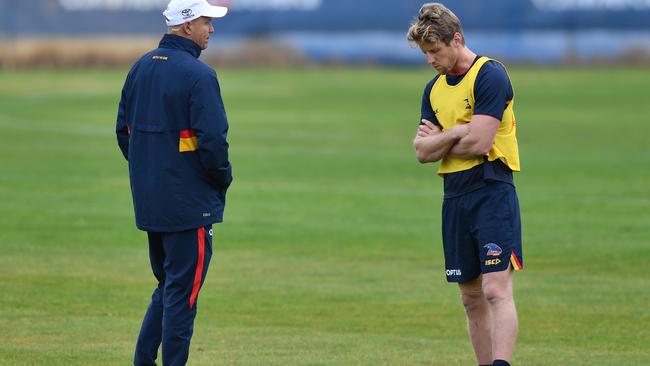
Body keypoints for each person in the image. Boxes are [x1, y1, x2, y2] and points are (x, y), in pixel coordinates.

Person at [115, 0, 232, 364]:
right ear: (186, 27)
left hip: (152, 201)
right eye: (205, 22)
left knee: (169, 288)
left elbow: (124, 132)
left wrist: (152, 171)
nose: (211, 29)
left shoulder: (140, 67)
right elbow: (213, 142)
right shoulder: (199, 75)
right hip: (188, 205)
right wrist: (221, 181)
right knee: (183, 297)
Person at [407, 3, 523, 366]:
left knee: (494, 288)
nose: (430, 59)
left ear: (456, 40)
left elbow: (480, 143)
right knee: (469, 296)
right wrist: (459, 130)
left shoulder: (489, 75)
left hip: (491, 188)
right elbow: (422, 151)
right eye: (425, 53)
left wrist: (446, 137)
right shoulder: (433, 89)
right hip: (454, 195)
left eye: (435, 51)